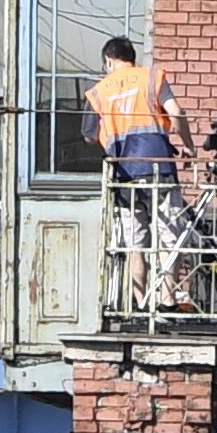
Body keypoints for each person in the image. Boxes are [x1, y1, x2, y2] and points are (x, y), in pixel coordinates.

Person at [84, 36, 183, 308]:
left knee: (135, 242)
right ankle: (167, 300)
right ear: (132, 57)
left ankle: (141, 303)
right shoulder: (151, 78)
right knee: (170, 235)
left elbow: (89, 136)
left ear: (108, 60)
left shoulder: (98, 91)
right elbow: (177, 113)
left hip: (123, 174)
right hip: (159, 169)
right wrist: (187, 144)